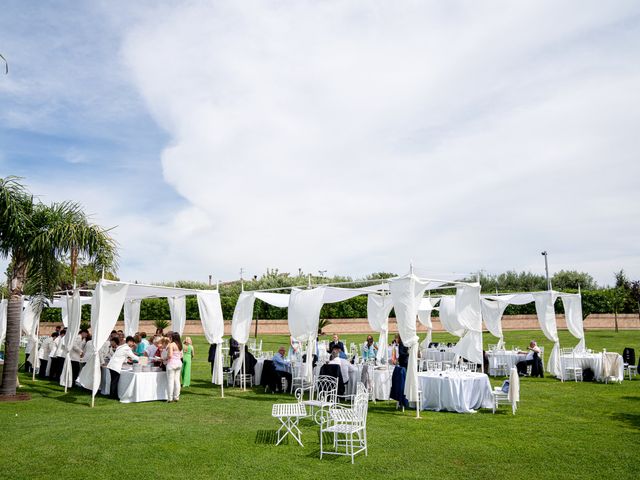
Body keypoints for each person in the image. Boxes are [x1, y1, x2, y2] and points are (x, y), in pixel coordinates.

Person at [165, 332, 183, 402]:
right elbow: (181, 356)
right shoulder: (180, 345)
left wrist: (164, 358)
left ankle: (170, 398)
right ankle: (176, 397)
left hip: (172, 364)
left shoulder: (171, 345)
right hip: (178, 363)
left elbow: (170, 355)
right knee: (177, 381)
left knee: (170, 381)